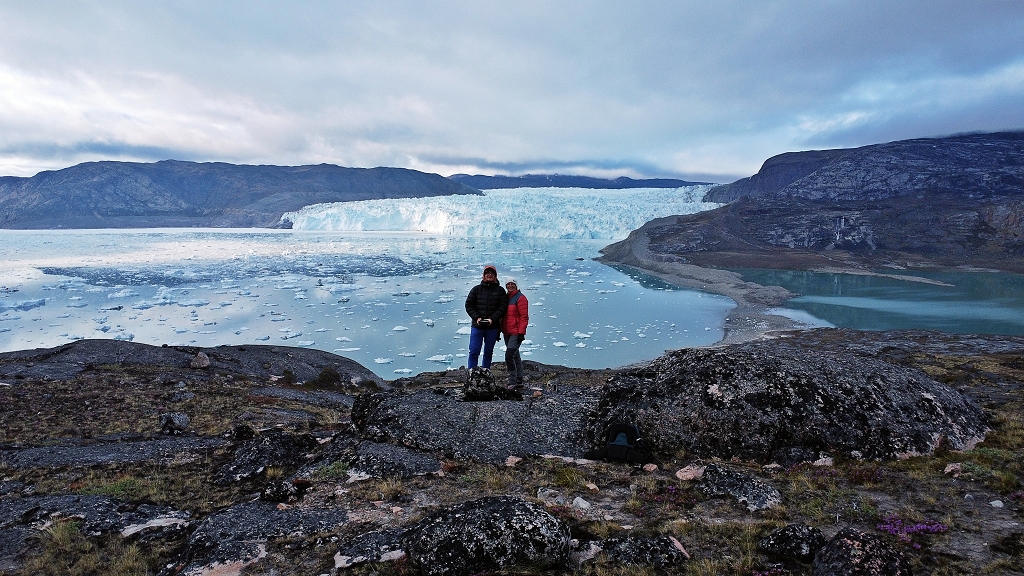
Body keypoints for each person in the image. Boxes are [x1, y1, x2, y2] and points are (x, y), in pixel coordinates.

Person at [465, 265, 507, 372]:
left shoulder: (500, 291)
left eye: (492, 273)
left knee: (488, 352)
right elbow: (469, 305)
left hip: (492, 327)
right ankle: (472, 373)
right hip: (477, 326)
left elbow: (502, 307)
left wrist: (493, 319)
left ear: (495, 276)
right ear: (483, 276)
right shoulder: (476, 290)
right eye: (487, 273)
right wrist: (477, 318)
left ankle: (486, 373)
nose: (489, 275)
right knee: (474, 351)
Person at [501, 278, 529, 389]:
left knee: (509, 356)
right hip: (507, 331)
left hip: (516, 332)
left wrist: (521, 332)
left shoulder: (521, 298)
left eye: (512, 284)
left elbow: (524, 317)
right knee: (515, 355)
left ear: (516, 285)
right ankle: (519, 380)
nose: (510, 286)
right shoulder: (506, 298)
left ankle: (511, 381)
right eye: (508, 284)